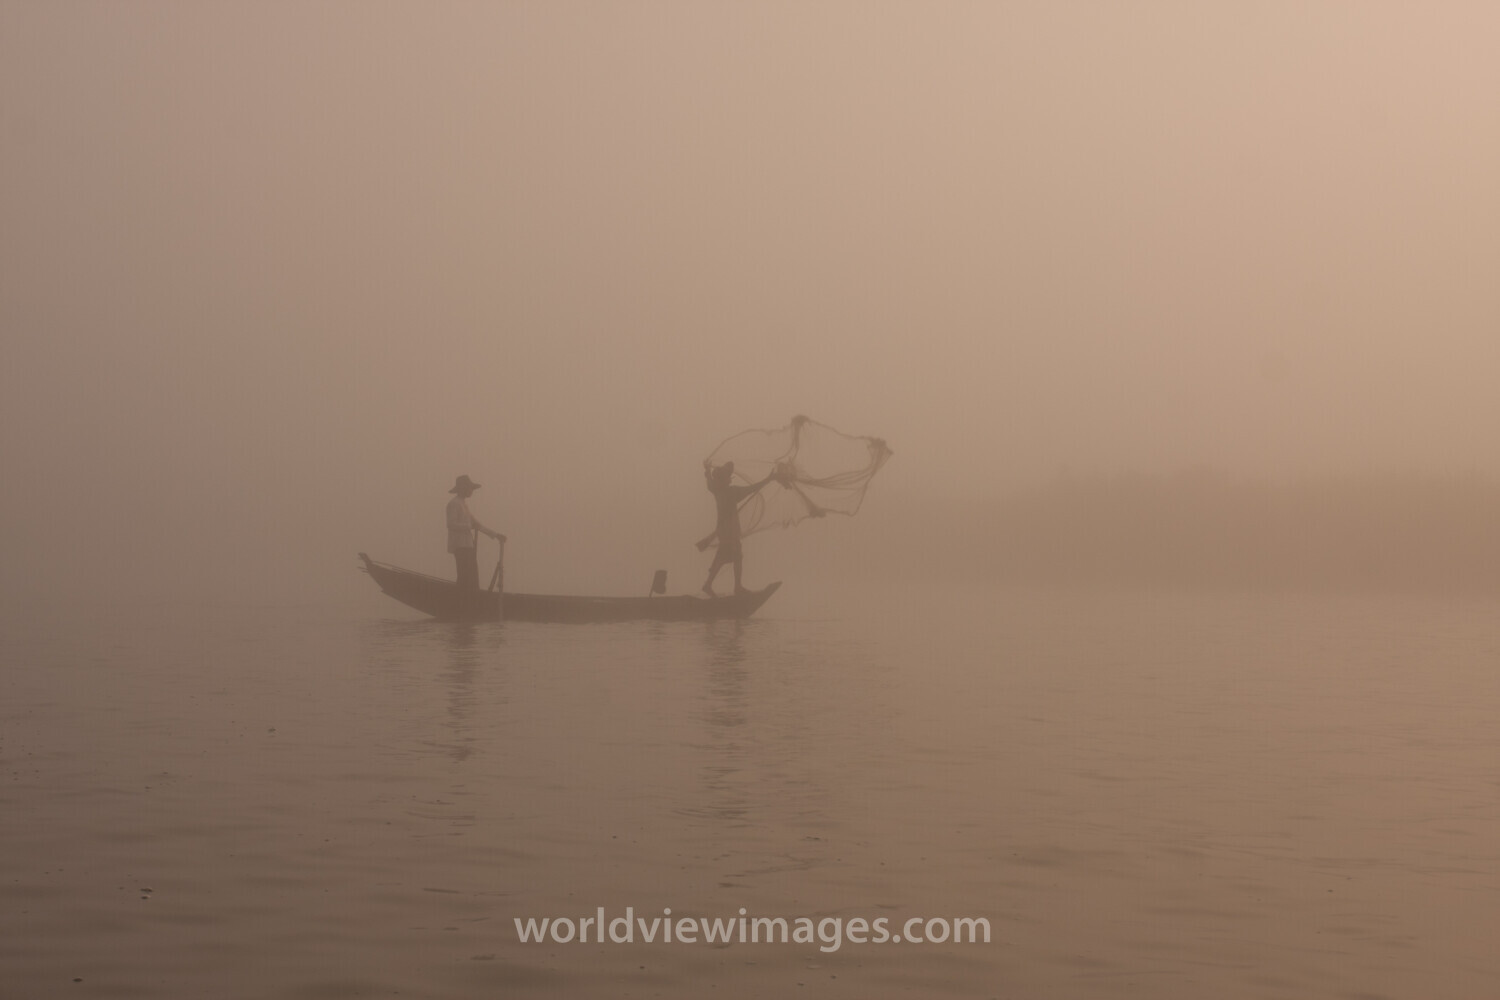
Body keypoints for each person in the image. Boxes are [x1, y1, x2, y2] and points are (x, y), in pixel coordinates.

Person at [700, 460, 778, 597]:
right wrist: (769, 479)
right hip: (730, 531)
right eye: (726, 476)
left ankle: (710, 584)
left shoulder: (716, 490)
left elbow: (709, 481)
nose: (728, 478)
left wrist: (707, 470)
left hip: (723, 531)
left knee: (724, 556)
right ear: (725, 479)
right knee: (735, 556)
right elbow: (754, 488)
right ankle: (735, 587)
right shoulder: (732, 492)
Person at [446, 474, 505, 591]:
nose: (471, 491)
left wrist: (495, 535)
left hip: (468, 545)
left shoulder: (464, 505)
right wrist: (468, 526)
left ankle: (472, 598)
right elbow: (450, 524)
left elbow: (478, 525)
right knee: (464, 576)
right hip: (460, 546)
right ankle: (463, 600)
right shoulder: (453, 504)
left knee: (472, 577)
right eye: (469, 488)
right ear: (463, 488)